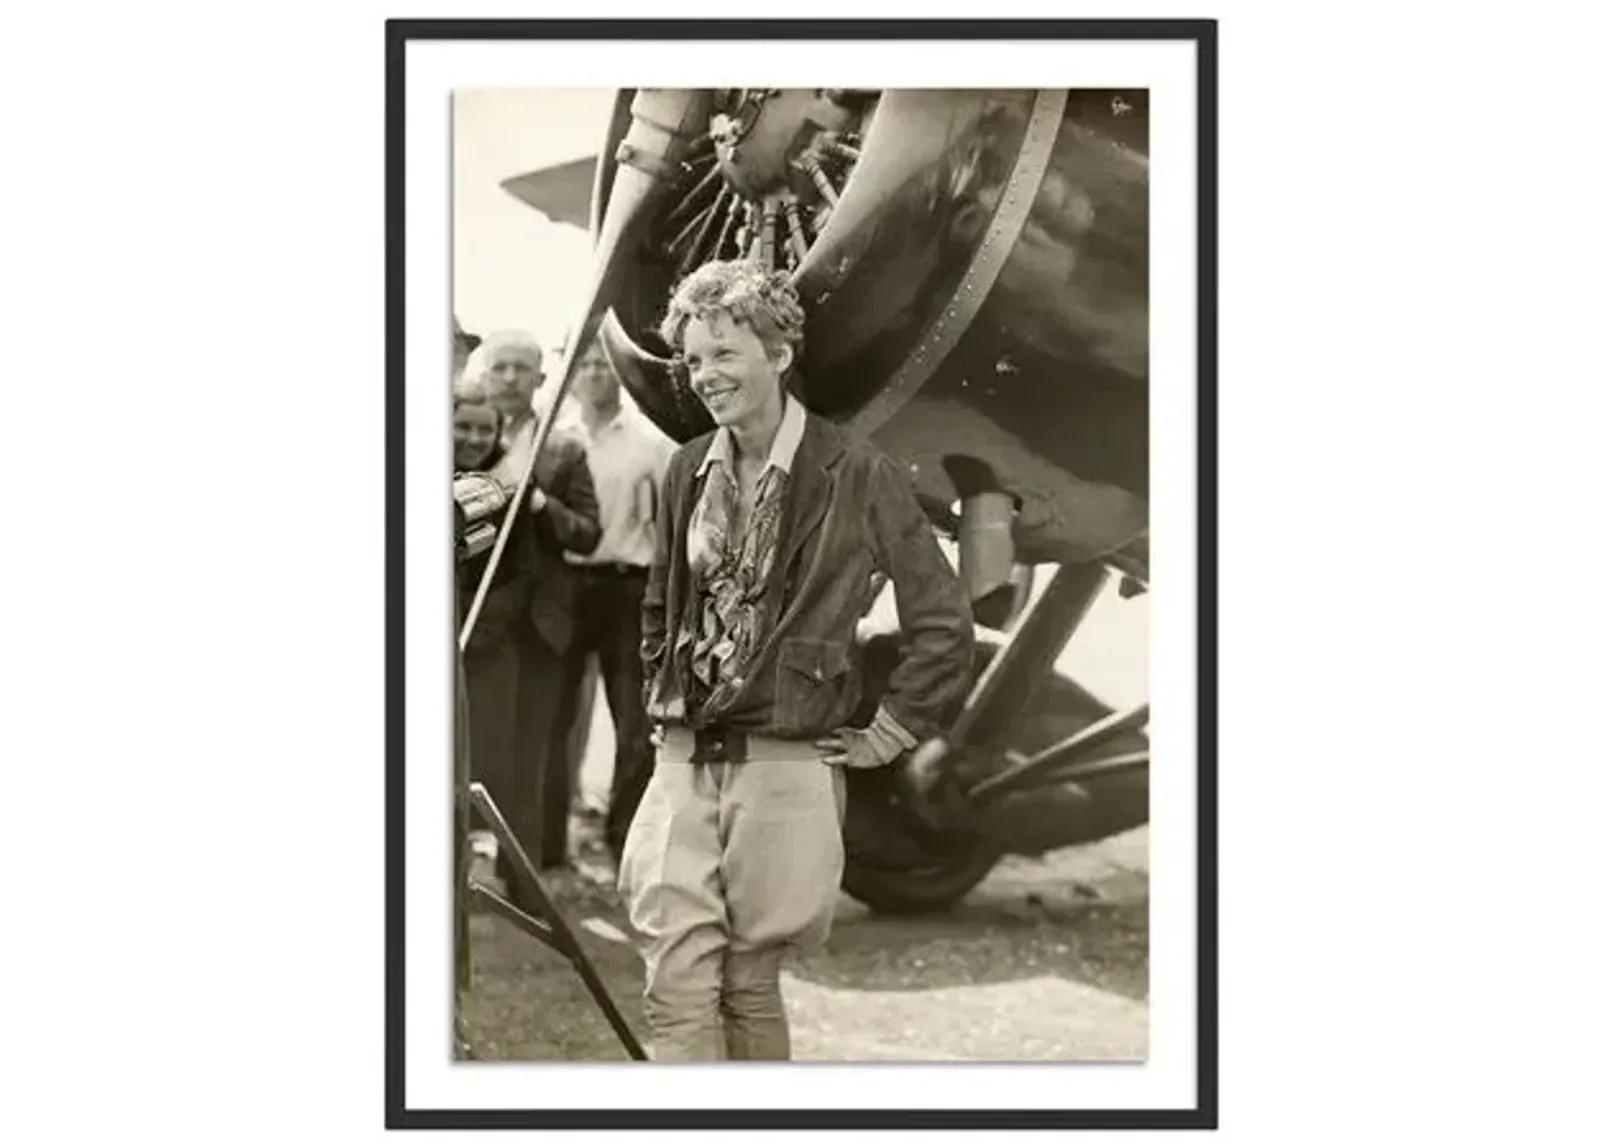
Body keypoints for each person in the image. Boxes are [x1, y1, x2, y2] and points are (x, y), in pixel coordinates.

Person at [617, 260, 976, 1061]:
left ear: (778, 353)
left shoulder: (859, 472)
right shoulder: (686, 469)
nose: (704, 375)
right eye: (695, 357)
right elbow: (658, 606)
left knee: (748, 984)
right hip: (682, 760)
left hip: (785, 766)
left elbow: (942, 619)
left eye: (725, 353)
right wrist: (658, 698)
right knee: (673, 987)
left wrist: (890, 731)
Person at [476, 329, 602, 884]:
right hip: (476, 627)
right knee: (463, 755)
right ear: (483, 374)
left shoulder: (564, 449)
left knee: (530, 758)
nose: (509, 378)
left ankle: (522, 880)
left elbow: (589, 533)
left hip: (542, 628)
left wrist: (543, 504)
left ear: (540, 378)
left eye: (520, 369)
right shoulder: (457, 434)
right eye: (499, 368)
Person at [552, 342, 677, 883]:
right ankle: (547, 845)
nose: (596, 373)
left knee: (634, 722)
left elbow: (675, 521)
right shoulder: (552, 440)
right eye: (585, 364)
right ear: (570, 372)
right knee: (555, 720)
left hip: (628, 589)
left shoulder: (650, 443)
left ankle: (624, 841)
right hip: (564, 586)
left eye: (604, 363)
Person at [451, 384, 525, 856]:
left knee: (482, 759)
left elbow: (521, 573)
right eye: (463, 427)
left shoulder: (513, 484)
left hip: (488, 640)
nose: (475, 438)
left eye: (485, 429)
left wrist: (475, 630)